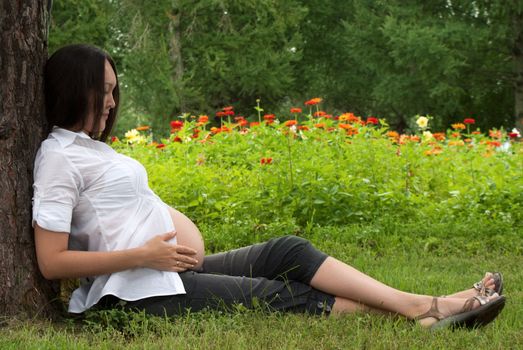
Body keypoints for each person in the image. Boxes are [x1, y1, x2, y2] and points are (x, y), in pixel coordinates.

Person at [33, 44, 506, 330]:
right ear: (76, 89)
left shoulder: (95, 150)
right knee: (275, 292)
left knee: (287, 252)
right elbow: (52, 262)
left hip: (169, 271)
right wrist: (143, 256)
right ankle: (429, 308)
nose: (113, 103)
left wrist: (173, 242)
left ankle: (422, 308)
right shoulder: (58, 156)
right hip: (139, 294)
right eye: (105, 91)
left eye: (116, 91)